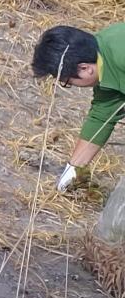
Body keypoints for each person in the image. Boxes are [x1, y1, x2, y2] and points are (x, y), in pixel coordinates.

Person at [31, 24, 125, 191]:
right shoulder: (102, 58)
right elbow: (102, 117)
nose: (70, 85)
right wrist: (72, 173)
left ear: (85, 68)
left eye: (67, 82)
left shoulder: (120, 54)